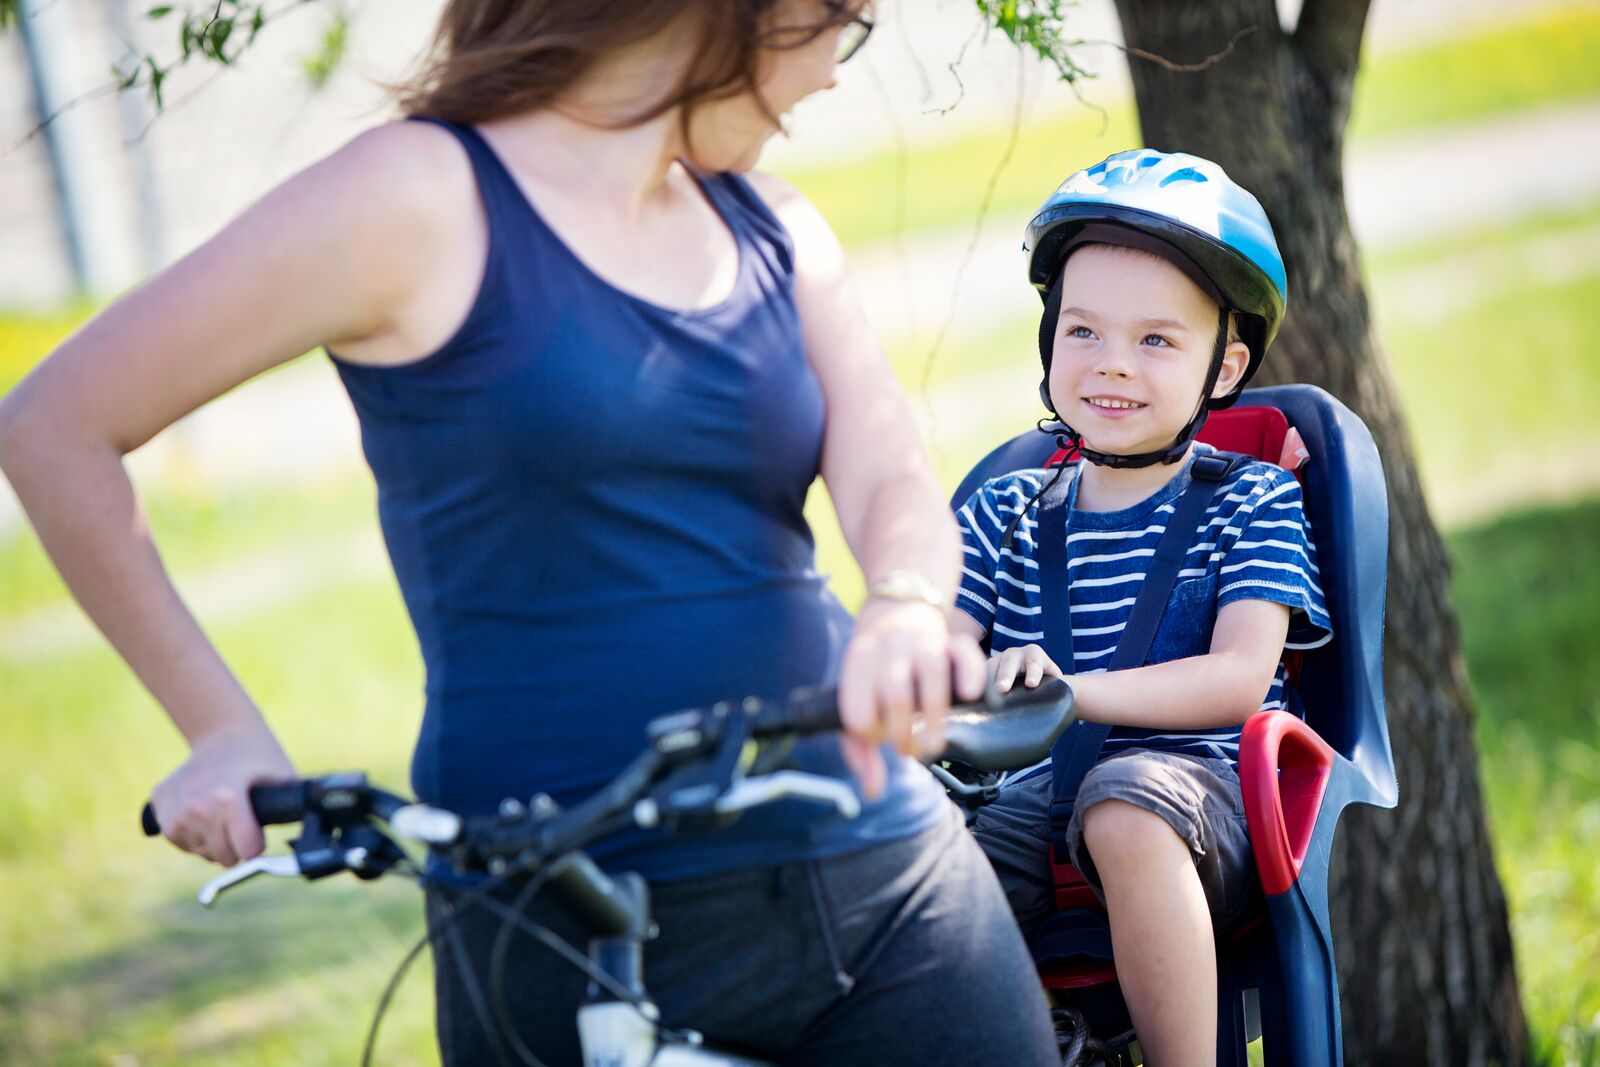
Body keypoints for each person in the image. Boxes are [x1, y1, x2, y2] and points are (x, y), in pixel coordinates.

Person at [0, 2, 1061, 1064]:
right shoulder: (414, 195)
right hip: (547, 913)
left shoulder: (774, 224)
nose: (836, 71)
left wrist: (905, 605)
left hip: (879, 880)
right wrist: (221, 728)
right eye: (848, 22)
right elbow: (56, 424)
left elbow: (887, 469)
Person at [952, 149, 1333, 1066]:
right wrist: (972, 678)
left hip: (1202, 802)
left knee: (1126, 805)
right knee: (907, 858)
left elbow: (1241, 679)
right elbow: (933, 653)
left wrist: (1073, 693)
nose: (1111, 365)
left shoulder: (1252, 501)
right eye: (1083, 332)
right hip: (1024, 800)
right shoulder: (1004, 510)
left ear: (1225, 363)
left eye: (1156, 341)